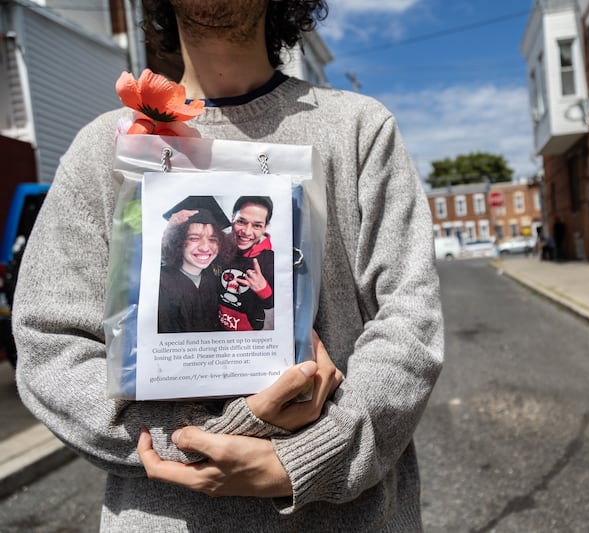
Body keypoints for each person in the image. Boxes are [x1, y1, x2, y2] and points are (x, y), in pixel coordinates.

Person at [12, 1, 443, 532]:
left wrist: (314, 453)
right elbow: (50, 344)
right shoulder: (107, 148)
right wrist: (203, 438)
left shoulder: (359, 129)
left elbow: (409, 322)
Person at [158, 197, 231, 333]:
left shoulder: (212, 277)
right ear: (178, 241)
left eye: (213, 239)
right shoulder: (161, 283)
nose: (205, 247)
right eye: (194, 238)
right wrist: (168, 233)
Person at [219, 196, 276, 331]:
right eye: (241, 222)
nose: (246, 232)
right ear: (232, 219)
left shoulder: (270, 260)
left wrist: (263, 289)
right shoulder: (218, 247)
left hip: (249, 330)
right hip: (215, 325)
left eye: (257, 225)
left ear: (265, 227)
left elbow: (270, 304)